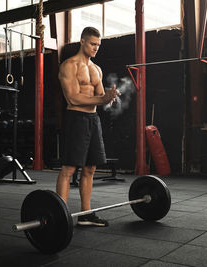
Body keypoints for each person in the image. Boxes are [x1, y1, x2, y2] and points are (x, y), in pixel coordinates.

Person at [57, 27, 120, 227]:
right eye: (92, 44)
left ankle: (86, 214)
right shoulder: (69, 66)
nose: (95, 48)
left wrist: (111, 98)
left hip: (93, 120)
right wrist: (102, 100)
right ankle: (61, 214)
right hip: (76, 118)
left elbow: (101, 97)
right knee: (69, 168)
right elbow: (73, 97)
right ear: (82, 41)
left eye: (98, 45)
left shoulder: (96, 69)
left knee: (91, 167)